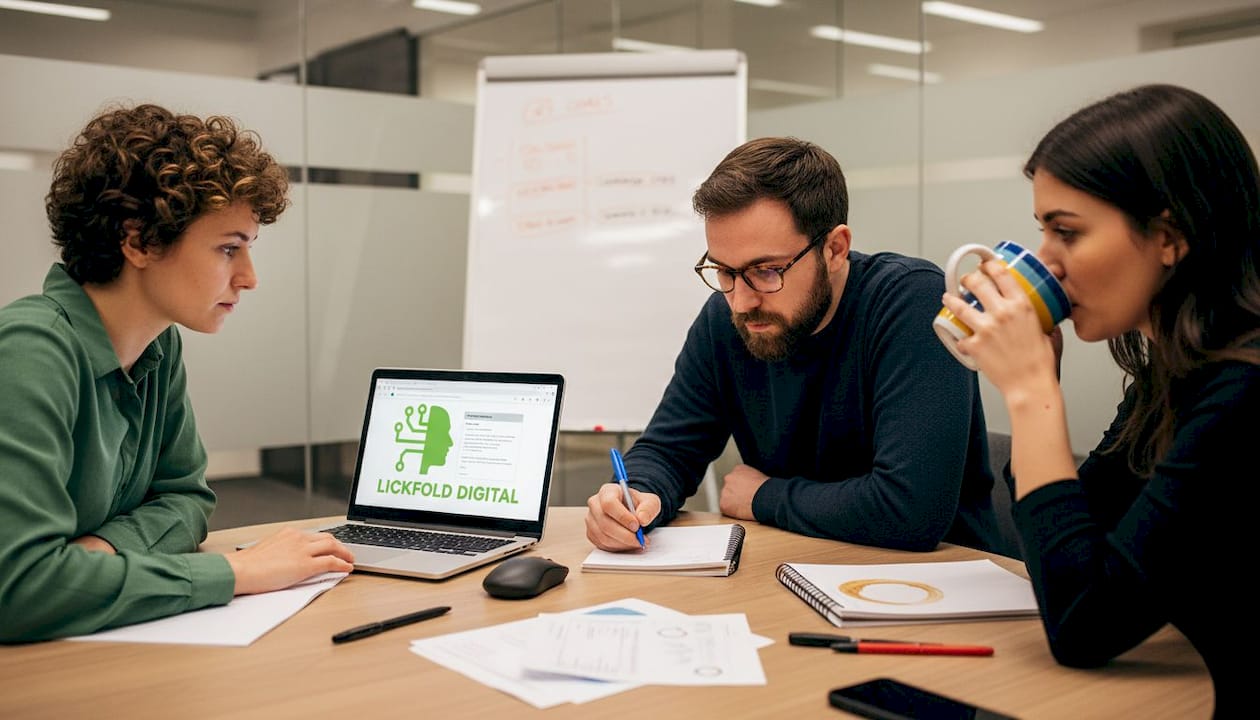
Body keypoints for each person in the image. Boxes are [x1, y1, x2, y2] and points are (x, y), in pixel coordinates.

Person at [941, 84, 1249, 717]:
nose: (1046, 262)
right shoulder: (1167, 377)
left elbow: (1086, 624)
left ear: (1170, 235)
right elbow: (1076, 559)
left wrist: (1031, 397)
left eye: (1068, 233)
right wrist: (1039, 391)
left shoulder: (1242, 393)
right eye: (1041, 232)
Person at [0, 103, 354, 643]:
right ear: (138, 241)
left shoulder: (157, 345)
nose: (249, 277)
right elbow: (20, 589)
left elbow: (187, 501)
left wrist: (104, 552)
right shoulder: (31, 352)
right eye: (228, 248)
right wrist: (237, 573)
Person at [585, 136, 1004, 555]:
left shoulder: (911, 304)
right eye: (724, 271)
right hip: (797, 566)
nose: (742, 300)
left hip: (939, 587)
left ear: (835, 249)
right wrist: (635, 495)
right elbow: (669, 450)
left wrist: (763, 497)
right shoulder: (725, 318)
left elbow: (910, 510)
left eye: (766, 271)